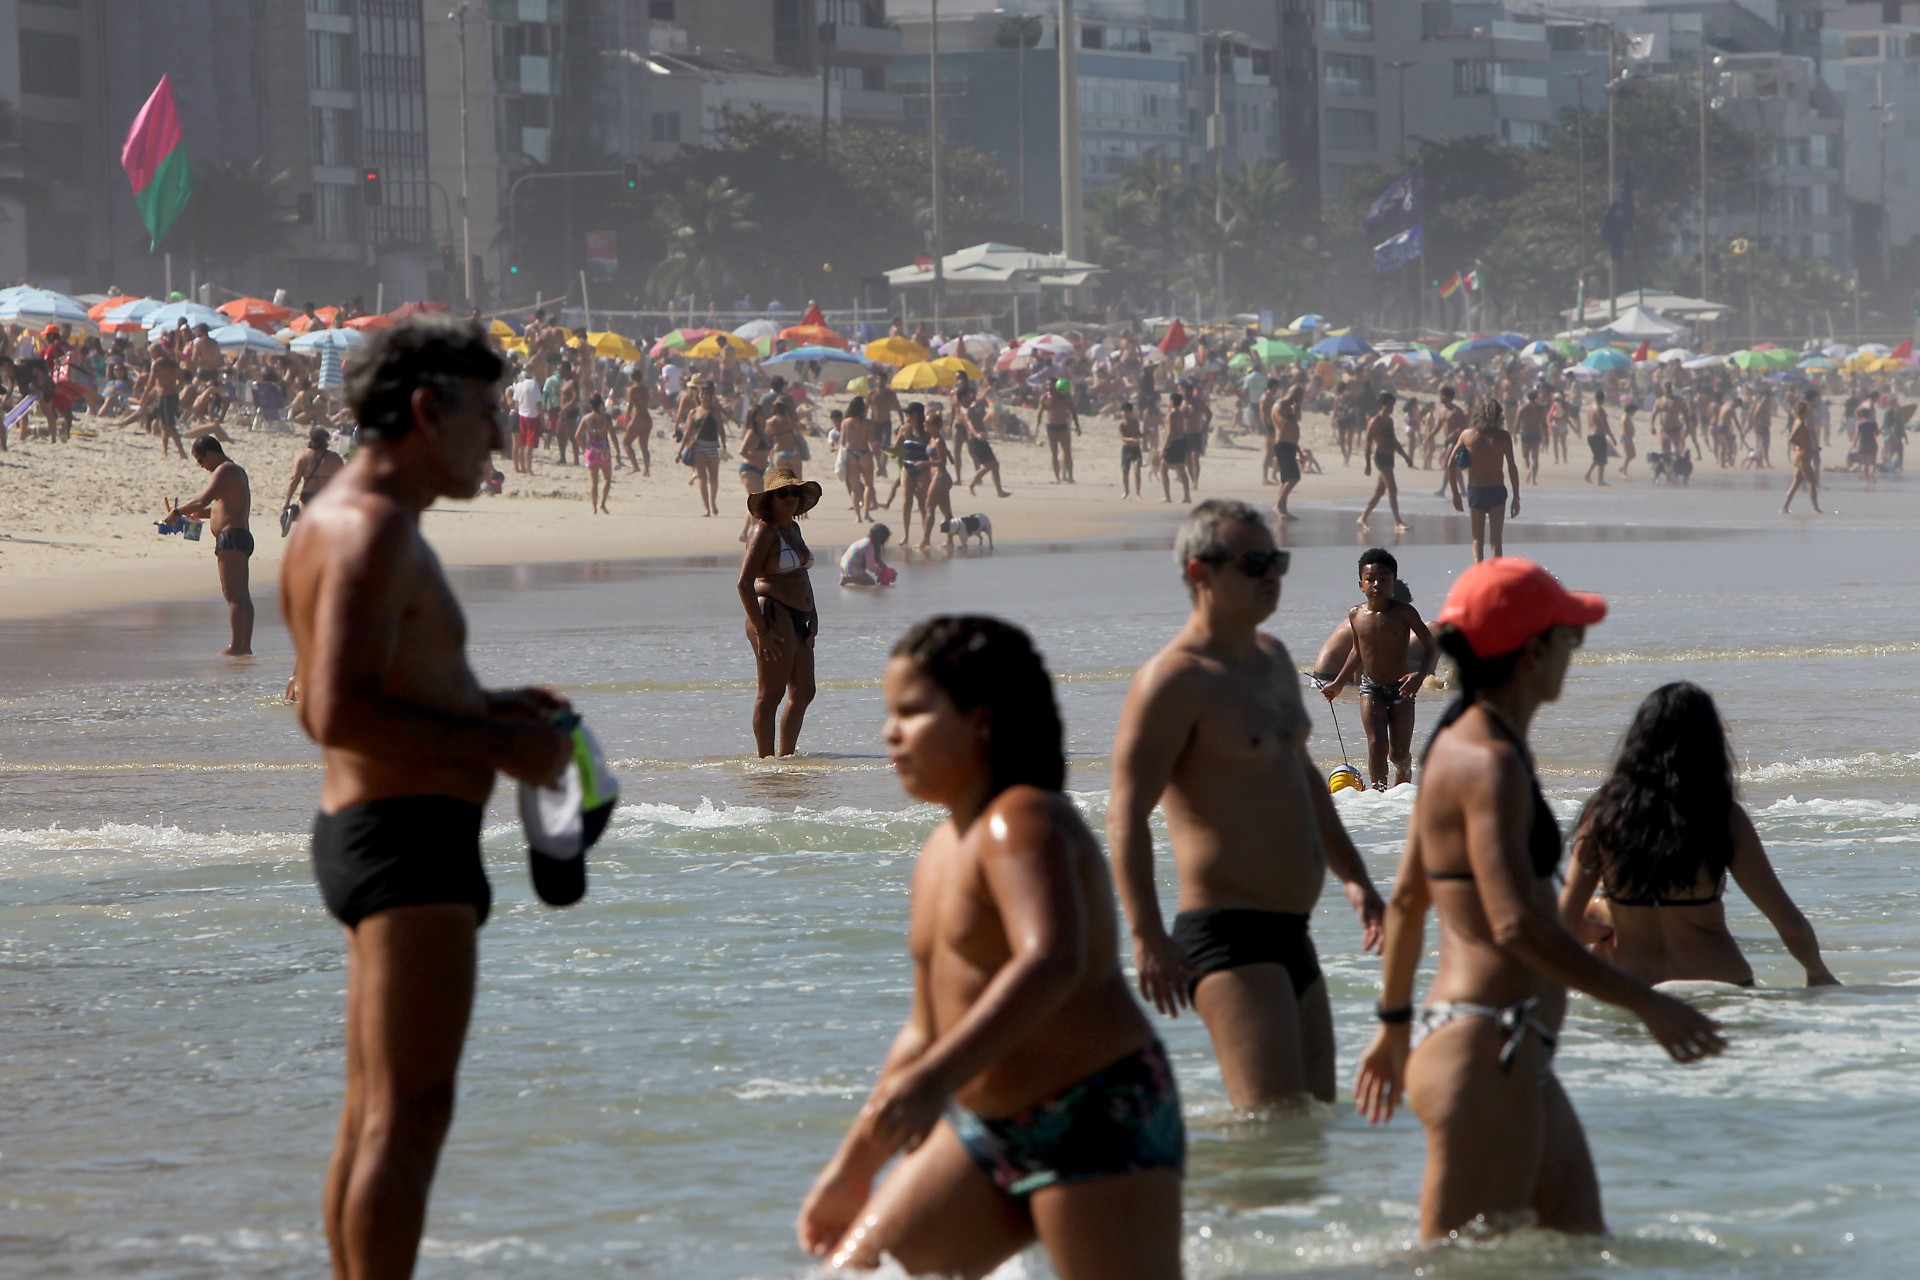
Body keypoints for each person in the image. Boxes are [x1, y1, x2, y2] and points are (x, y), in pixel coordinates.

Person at [279, 318, 573, 1279]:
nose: (497, 437)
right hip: (405, 842)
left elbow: (371, 687)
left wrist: (493, 707)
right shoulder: (368, 529)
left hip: (377, 829)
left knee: (375, 1114)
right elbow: (332, 709)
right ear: (425, 410)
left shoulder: (344, 516)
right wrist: (500, 745)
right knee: (408, 1117)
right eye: (486, 415)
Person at [1353, 558, 1728, 1241]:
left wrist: (1394, 1023)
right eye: (1569, 639)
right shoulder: (1488, 763)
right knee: (1445, 1265)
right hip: (1483, 1051)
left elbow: (1409, 900)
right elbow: (1513, 925)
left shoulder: (1462, 743)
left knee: (1582, 1247)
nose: (1573, 656)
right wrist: (1644, 1000)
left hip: (1506, 1047)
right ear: (1533, 652)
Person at [798, 616, 1184, 1279]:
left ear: (982, 719)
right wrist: (853, 1166)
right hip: (987, 1129)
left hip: (1096, 1112)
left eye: (914, 711)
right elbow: (925, 1029)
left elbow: (1052, 958)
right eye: (889, 712)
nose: (891, 732)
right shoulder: (938, 853)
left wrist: (939, 1079)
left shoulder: (1023, 820)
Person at [1109, 500, 1386, 1108]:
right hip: (1228, 937)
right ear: (1199, 574)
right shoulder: (1174, 681)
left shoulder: (1273, 661)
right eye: (1255, 561)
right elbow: (1126, 812)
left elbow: (1305, 781)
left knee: (1309, 1129)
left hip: (1294, 933)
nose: (1272, 575)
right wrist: (1146, 934)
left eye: (1277, 560)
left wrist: (1357, 880)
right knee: (1275, 1126)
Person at [1558, 682, 1841, 989]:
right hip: (1719, 983)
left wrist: (1600, 930)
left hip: (1631, 987)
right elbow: (1788, 921)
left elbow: (1564, 920)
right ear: (1710, 742)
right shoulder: (1723, 817)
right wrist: (1817, 971)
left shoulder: (1603, 815)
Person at [1320, 549, 1435, 790]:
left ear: (1393, 583)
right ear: (1360, 584)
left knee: (1399, 754)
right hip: (1370, 687)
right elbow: (1356, 651)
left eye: (1384, 579)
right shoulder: (1356, 614)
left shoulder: (1404, 613)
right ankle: (1378, 795)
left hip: (1401, 689)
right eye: (1370, 579)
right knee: (1376, 743)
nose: (1376, 584)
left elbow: (1431, 646)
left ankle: (1403, 783)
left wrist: (1420, 675)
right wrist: (1338, 683)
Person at [738, 467, 820, 757]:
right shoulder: (763, 531)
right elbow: (744, 583)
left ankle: (785, 760)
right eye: (783, 493)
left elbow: (801, 575)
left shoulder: (794, 529)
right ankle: (765, 763)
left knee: (803, 692)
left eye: (795, 492)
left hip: (800, 614)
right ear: (770, 499)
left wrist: (814, 616)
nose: (790, 498)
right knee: (770, 694)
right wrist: (762, 630)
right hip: (772, 613)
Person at [172, 436, 255, 657]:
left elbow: (203, 499)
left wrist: (177, 513)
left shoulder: (225, 470)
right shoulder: (235, 472)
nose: (202, 466)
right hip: (240, 535)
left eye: (201, 461)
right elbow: (223, 506)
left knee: (233, 595)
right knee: (243, 595)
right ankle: (245, 646)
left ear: (210, 453)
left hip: (231, 538)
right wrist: (201, 514)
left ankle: (237, 646)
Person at [1446, 399, 1521, 563]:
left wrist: (1455, 494)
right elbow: (1512, 467)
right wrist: (1516, 496)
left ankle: (1479, 578)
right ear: (1499, 416)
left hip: (1477, 491)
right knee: (1496, 542)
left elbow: (1450, 465)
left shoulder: (1467, 435)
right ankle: (1497, 581)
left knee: (1476, 540)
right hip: (1497, 491)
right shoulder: (1503, 436)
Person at [1357, 391, 1413, 531]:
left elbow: (1393, 441)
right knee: (1392, 489)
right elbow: (1368, 443)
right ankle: (1398, 521)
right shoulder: (1375, 421)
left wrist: (1405, 456)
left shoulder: (1390, 421)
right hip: (1380, 457)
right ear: (1382, 405)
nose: (1391, 408)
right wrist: (1368, 464)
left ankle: (1363, 517)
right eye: (1389, 405)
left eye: (1393, 405)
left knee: (1379, 492)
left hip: (1390, 457)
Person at [282, 426, 345, 532]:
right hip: (326, 495)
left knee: (308, 525)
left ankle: (296, 516)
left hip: (308, 495)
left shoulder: (303, 457)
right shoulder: (335, 458)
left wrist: (287, 501)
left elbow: (295, 480)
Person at [681, 380, 730, 517]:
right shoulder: (694, 412)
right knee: (702, 478)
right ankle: (706, 508)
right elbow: (688, 432)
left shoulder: (715, 412)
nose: (704, 397)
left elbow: (720, 429)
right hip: (698, 447)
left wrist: (724, 444)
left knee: (714, 479)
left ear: (711, 396)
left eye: (707, 394)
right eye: (702, 394)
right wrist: (680, 450)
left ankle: (713, 502)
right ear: (699, 396)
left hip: (713, 446)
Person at [958, 387, 1009, 498]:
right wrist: (977, 435)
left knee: (994, 464)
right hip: (976, 439)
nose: (971, 397)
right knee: (990, 465)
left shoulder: (969, 407)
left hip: (979, 438)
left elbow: (978, 401)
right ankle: (971, 485)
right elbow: (970, 425)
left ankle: (999, 491)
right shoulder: (966, 410)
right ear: (963, 398)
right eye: (968, 395)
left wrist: (985, 395)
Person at [1781, 389, 1822, 515]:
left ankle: (1784, 508)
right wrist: (1803, 445)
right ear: (1804, 411)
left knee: (1796, 483)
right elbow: (1791, 438)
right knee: (1812, 482)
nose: (1810, 412)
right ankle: (1816, 508)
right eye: (1808, 410)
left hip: (1800, 455)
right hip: (1802, 455)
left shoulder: (1799, 421)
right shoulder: (1799, 423)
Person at [577, 393, 616, 514]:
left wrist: (584, 449)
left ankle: (594, 508)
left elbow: (577, 436)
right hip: (604, 451)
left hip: (591, 451)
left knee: (594, 482)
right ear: (601, 404)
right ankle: (603, 504)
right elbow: (613, 436)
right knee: (607, 479)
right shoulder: (606, 418)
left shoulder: (586, 418)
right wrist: (618, 451)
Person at [1037, 377, 1081, 483]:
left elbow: (1073, 412)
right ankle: (1057, 478)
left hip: (1062, 425)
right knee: (1054, 452)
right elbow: (1040, 412)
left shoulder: (1064, 398)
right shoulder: (1045, 397)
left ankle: (1070, 477)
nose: (1049, 387)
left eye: (1051, 385)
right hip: (1051, 426)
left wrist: (1077, 426)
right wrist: (1037, 426)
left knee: (1067, 452)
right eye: (1047, 385)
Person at [1159, 392, 1196, 504]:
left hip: (1173, 443)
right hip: (1181, 442)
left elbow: (1170, 432)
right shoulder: (1180, 413)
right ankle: (1187, 496)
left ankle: (1167, 497)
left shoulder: (1172, 414)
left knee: (1163, 469)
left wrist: (1163, 447)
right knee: (1181, 470)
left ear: (1172, 401)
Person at [619, 367, 652, 475]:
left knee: (626, 442)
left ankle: (635, 466)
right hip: (647, 417)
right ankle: (646, 470)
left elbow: (630, 405)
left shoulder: (632, 389)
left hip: (637, 417)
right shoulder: (646, 388)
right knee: (644, 446)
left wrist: (626, 419)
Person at [509, 367, 541, 475]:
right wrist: (541, 416)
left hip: (521, 414)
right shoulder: (533, 384)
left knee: (522, 443)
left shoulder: (519, 385)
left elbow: (515, 403)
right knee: (530, 443)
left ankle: (522, 467)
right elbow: (538, 403)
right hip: (532, 415)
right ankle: (528, 468)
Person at [1581, 389, 1615, 486]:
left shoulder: (1590, 408)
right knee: (1602, 459)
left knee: (1598, 458)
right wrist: (1611, 436)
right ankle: (1600, 480)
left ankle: (1588, 475)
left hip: (1590, 435)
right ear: (1602, 399)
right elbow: (1604, 423)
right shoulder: (1599, 409)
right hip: (1598, 435)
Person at [1514, 389, 1547, 485]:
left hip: (1525, 433)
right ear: (1536, 397)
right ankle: (1534, 480)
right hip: (1536, 433)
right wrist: (1546, 437)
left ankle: (1528, 470)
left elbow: (1517, 423)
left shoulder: (1522, 408)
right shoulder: (1540, 409)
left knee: (1525, 457)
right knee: (1535, 458)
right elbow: (1544, 423)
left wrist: (1514, 435)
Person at [1117, 400, 1144, 498]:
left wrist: (1145, 434)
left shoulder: (1135, 422)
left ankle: (1137, 493)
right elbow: (1122, 437)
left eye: (1127, 412)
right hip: (1126, 449)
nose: (1125, 414)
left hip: (1136, 448)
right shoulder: (1122, 424)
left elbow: (1139, 434)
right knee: (1125, 471)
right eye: (1123, 411)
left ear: (1130, 412)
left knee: (1137, 471)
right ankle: (1126, 491)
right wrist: (1131, 439)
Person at [1852, 403, 1880, 491]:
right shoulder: (1873, 422)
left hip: (1863, 444)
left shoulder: (1859, 423)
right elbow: (1877, 434)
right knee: (1873, 462)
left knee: (1864, 464)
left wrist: (1853, 444)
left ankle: (1867, 481)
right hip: (1872, 443)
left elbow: (1856, 435)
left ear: (1861, 415)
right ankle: (1873, 476)